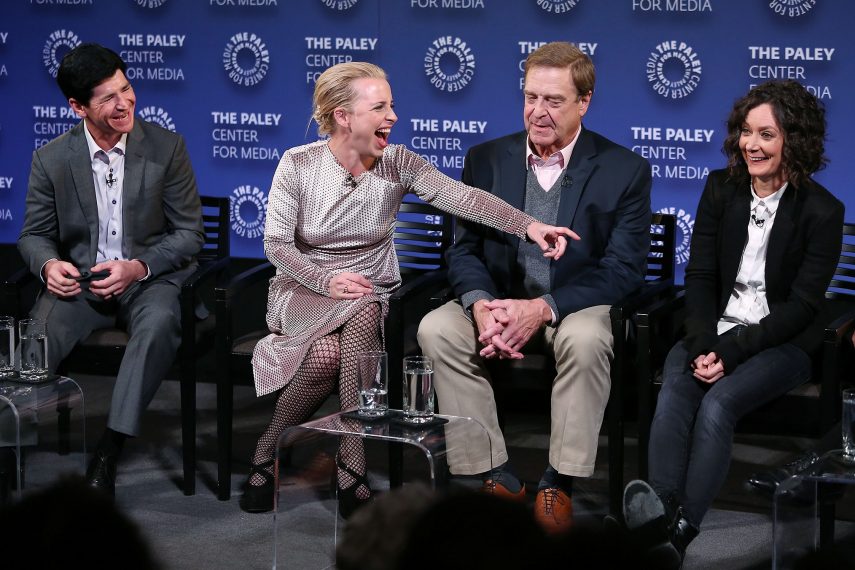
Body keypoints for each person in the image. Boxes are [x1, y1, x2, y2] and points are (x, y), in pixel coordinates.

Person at [239, 61, 577, 514]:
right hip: (303, 288)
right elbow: (276, 245)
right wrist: (325, 278)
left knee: (354, 317)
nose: (393, 117)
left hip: (367, 290)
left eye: (392, 105)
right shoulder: (298, 165)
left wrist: (529, 224)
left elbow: (464, 198)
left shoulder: (398, 163)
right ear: (343, 115)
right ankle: (291, 452)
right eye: (379, 107)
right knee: (331, 345)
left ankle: (328, 458)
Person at [417, 41, 652, 534]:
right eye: (530, 97)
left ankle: (558, 481)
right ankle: (495, 475)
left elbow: (624, 271)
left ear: (584, 102)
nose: (537, 112)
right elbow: (463, 251)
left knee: (588, 338)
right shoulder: (485, 159)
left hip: (572, 306)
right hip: (499, 302)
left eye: (554, 101)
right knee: (437, 328)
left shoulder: (624, 169)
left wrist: (542, 308)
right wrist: (480, 306)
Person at [622, 79, 844, 569]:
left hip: (779, 343)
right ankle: (662, 520)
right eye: (746, 132)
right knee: (675, 394)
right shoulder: (720, 189)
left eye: (766, 134)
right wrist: (704, 342)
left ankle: (678, 532)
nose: (752, 144)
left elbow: (803, 308)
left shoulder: (823, 211)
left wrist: (731, 352)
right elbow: (699, 276)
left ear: (794, 142)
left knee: (718, 405)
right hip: (713, 331)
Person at [17, 43, 204, 496]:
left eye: (126, 89)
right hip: (81, 284)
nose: (124, 104)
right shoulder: (51, 158)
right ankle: (8, 446)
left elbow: (188, 234)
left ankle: (111, 447)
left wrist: (137, 267)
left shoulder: (167, 148)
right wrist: (48, 265)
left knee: (159, 323)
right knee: (35, 342)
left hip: (148, 281)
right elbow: (33, 234)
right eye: (108, 98)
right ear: (78, 106)